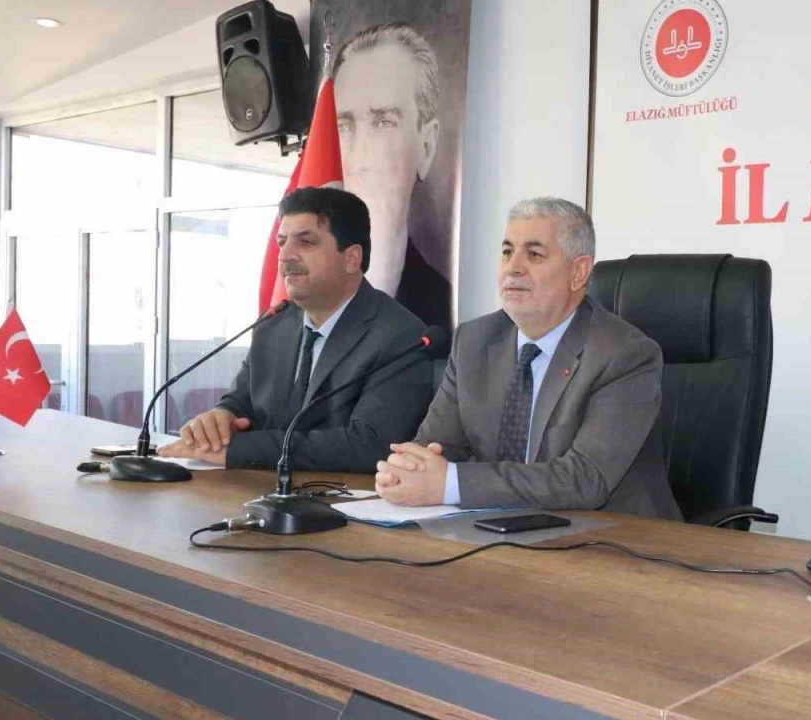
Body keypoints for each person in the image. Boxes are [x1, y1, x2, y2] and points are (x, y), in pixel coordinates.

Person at [375, 197, 682, 519]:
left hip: (615, 534)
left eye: (534, 255)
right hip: (497, 525)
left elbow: (585, 478)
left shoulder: (623, 353)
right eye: (507, 252)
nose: (513, 267)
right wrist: (407, 470)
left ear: (578, 272)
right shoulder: (474, 341)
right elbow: (437, 443)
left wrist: (451, 483)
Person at [159, 187, 433, 473]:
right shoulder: (274, 324)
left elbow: (370, 445)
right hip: (255, 490)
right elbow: (241, 403)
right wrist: (219, 419)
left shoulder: (399, 335)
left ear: (352, 258)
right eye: (282, 242)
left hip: (340, 496)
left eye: (306, 242)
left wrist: (242, 450)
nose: (285, 256)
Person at [333, 22, 452, 331]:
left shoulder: (447, 313)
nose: (359, 159)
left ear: (426, 147)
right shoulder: (304, 295)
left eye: (383, 122)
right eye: (343, 126)